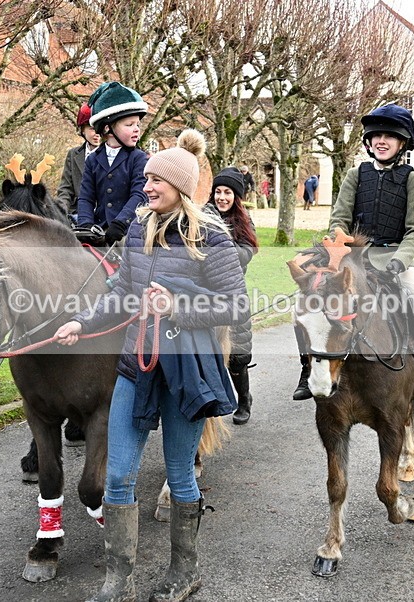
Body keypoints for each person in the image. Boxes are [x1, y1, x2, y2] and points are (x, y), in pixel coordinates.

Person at [55, 130, 248, 602]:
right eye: (146, 178)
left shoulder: (211, 235)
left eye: (154, 179)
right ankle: (119, 578)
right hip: (136, 366)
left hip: (186, 369)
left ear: (179, 185)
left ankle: (186, 571)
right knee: (119, 473)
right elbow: (121, 292)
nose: (146, 186)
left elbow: (234, 306)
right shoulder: (140, 228)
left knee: (180, 472)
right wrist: (82, 321)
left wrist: (176, 304)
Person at [324, 103, 414, 401]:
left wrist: (400, 261)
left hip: (396, 259)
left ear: (402, 144)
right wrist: (340, 245)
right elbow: (339, 218)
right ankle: (309, 368)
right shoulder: (355, 175)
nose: (381, 141)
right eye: (376, 136)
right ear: (369, 142)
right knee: (317, 296)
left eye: (389, 136)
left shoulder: (413, 179)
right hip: (355, 259)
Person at [208, 166, 259, 425]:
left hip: (233, 293)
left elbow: (247, 252)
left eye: (227, 192)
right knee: (209, 353)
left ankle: (244, 398)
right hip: (205, 296)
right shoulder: (204, 217)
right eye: (218, 191)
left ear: (236, 196)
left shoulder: (243, 221)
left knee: (237, 356)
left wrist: (219, 251)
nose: (222, 197)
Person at [76, 81, 149, 246]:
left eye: (137, 124)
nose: (137, 129)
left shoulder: (139, 158)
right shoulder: (93, 160)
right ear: (108, 129)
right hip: (100, 230)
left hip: (130, 231)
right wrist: (86, 225)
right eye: (129, 125)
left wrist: (121, 222)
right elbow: (86, 197)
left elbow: (139, 195)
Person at [56, 102, 102, 224]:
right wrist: (60, 210)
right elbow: (65, 188)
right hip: (77, 213)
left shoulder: (112, 154)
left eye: (100, 129)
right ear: (83, 130)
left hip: (103, 215)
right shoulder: (73, 154)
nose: (97, 134)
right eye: (92, 129)